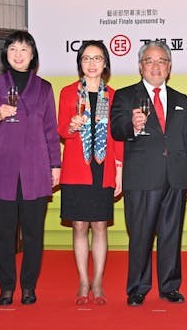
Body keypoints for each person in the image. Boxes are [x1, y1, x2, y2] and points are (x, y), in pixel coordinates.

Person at [0, 30, 61, 306]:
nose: (18, 55)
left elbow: (50, 130)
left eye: (24, 49)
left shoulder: (44, 88)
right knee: (3, 234)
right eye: (13, 49)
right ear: (6, 54)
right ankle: (7, 287)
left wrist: (55, 165)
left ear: (32, 55)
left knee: (34, 234)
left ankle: (29, 286)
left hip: (36, 169)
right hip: (2, 169)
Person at [110, 40, 187, 306]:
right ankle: (137, 287)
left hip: (175, 176)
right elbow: (116, 129)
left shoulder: (181, 99)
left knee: (172, 234)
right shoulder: (126, 95)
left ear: (169, 66)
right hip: (142, 177)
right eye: (150, 61)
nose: (156, 66)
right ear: (141, 66)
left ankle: (170, 286)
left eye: (162, 61)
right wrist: (132, 125)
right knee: (140, 235)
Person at [58, 40, 123, 305]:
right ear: (80, 64)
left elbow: (117, 137)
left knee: (99, 226)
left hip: (103, 168)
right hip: (77, 168)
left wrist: (119, 171)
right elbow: (61, 130)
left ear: (105, 63)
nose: (92, 63)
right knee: (79, 226)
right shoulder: (68, 93)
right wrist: (72, 126)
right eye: (86, 58)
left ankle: (97, 282)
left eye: (97, 58)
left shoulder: (114, 96)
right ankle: (83, 281)